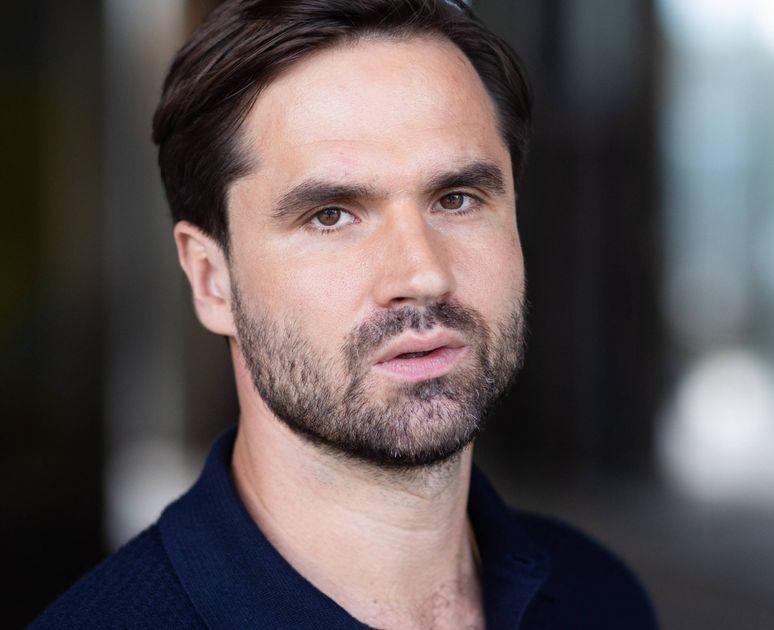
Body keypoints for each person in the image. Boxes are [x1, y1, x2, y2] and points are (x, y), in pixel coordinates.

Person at [33, 1, 656, 628]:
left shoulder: (599, 598)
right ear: (211, 279)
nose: (423, 275)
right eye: (330, 216)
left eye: (457, 199)